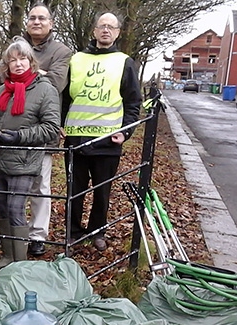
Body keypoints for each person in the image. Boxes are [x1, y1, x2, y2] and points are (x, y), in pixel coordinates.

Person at [61, 12, 142, 251]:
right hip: (76, 140)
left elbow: (133, 103)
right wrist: (60, 125)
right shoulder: (75, 60)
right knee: (74, 192)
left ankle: (97, 232)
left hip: (108, 141)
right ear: (94, 31)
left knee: (102, 193)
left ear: (117, 32)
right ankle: (72, 232)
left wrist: (126, 132)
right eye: (101, 26)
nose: (106, 30)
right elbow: (65, 98)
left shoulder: (124, 62)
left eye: (111, 27)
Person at [0, 37, 61, 270]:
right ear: (6, 65)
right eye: (12, 60)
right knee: (3, 208)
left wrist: (19, 137)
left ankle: (20, 263)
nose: (18, 64)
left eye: (22, 58)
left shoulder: (46, 90)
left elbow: (51, 128)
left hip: (25, 158)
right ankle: (7, 257)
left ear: (31, 61)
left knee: (16, 208)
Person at [23, 3, 73, 256]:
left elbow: (55, 83)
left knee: (40, 185)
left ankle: (37, 234)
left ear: (51, 23)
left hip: (43, 126)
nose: (37, 22)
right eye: (32, 18)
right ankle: (14, 231)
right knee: (13, 183)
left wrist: (22, 71)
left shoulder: (62, 51)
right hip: (15, 125)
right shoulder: (15, 45)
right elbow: (2, 73)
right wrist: (36, 72)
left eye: (42, 18)